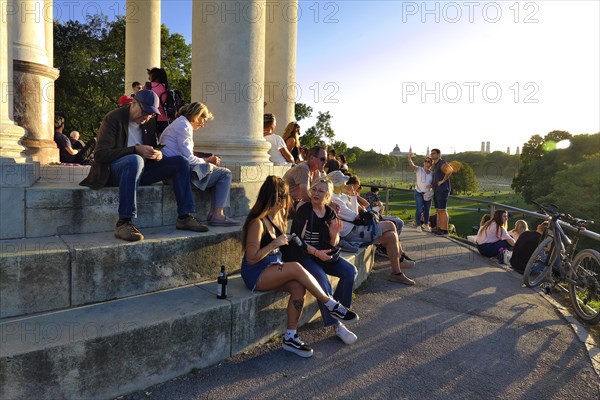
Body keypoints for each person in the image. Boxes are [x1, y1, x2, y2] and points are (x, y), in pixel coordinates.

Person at [241, 176, 359, 357]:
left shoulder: (278, 217)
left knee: (298, 287)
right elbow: (251, 258)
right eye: (286, 196)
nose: (289, 200)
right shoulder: (257, 223)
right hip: (256, 273)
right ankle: (331, 304)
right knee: (296, 267)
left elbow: (303, 205)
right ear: (277, 199)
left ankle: (290, 337)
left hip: (273, 267)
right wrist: (274, 244)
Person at [80, 90, 208, 241]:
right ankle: (124, 222)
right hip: (112, 172)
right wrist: (135, 150)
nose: (146, 117)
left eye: (151, 114)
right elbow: (100, 155)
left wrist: (158, 154)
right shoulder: (113, 118)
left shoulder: (149, 122)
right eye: (145, 112)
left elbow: (152, 148)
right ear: (133, 103)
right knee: (135, 159)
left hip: (141, 171)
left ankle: (185, 216)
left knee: (180, 161)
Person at [290, 177, 359, 345]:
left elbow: (334, 243)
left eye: (321, 191)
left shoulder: (329, 213)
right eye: (314, 189)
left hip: (324, 255)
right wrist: (316, 252)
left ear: (328, 195)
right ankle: (337, 325)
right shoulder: (304, 210)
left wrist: (335, 235)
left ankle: (339, 309)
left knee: (350, 271)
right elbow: (295, 239)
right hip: (305, 256)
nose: (316, 193)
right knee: (321, 279)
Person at [328, 171, 416, 285]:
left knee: (391, 236)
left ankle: (396, 272)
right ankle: (399, 261)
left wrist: (353, 196)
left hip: (357, 230)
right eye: (344, 183)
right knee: (391, 225)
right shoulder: (335, 199)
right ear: (337, 185)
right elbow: (355, 217)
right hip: (351, 233)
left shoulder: (341, 196)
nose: (346, 185)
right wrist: (353, 196)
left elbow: (359, 211)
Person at [160, 101, 239, 226]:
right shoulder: (184, 126)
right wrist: (208, 161)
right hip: (179, 174)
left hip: (173, 171)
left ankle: (215, 214)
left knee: (216, 172)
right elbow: (188, 158)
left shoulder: (179, 123)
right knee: (225, 174)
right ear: (197, 115)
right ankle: (217, 215)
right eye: (204, 119)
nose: (204, 124)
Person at [430, 148, 454, 236]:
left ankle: (445, 230)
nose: (432, 155)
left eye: (434, 153)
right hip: (437, 190)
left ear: (439, 154)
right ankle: (440, 228)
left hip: (442, 190)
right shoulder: (436, 165)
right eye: (431, 153)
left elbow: (450, 170)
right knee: (439, 210)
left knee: (442, 210)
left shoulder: (441, 163)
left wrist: (443, 181)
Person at [407, 152, 433, 233]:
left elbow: (435, 183)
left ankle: (425, 224)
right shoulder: (419, 169)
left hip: (427, 194)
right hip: (418, 192)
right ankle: (418, 225)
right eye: (425, 161)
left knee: (427, 210)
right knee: (419, 209)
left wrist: (431, 185)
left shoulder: (432, 174)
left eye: (428, 161)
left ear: (431, 164)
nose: (426, 162)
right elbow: (412, 165)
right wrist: (409, 158)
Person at [146, 67, 170, 135]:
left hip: (152, 118)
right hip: (166, 119)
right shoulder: (166, 87)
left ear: (154, 76)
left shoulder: (150, 86)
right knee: (163, 141)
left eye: (149, 76)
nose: (149, 78)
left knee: (152, 141)